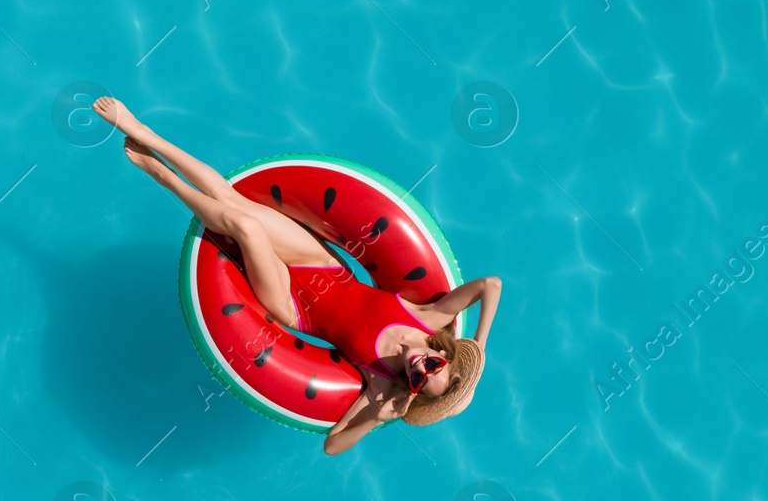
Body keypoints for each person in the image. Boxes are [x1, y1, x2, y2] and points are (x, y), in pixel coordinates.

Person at [95, 97, 500, 455]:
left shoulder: (381, 386)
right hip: (324, 267)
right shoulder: (428, 318)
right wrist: (478, 345)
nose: (417, 367)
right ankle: (144, 131)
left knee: (245, 228)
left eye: (416, 380)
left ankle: (162, 176)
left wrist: (379, 414)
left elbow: (332, 445)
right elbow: (490, 285)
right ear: (442, 355)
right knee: (232, 199)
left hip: (292, 304)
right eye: (431, 366)